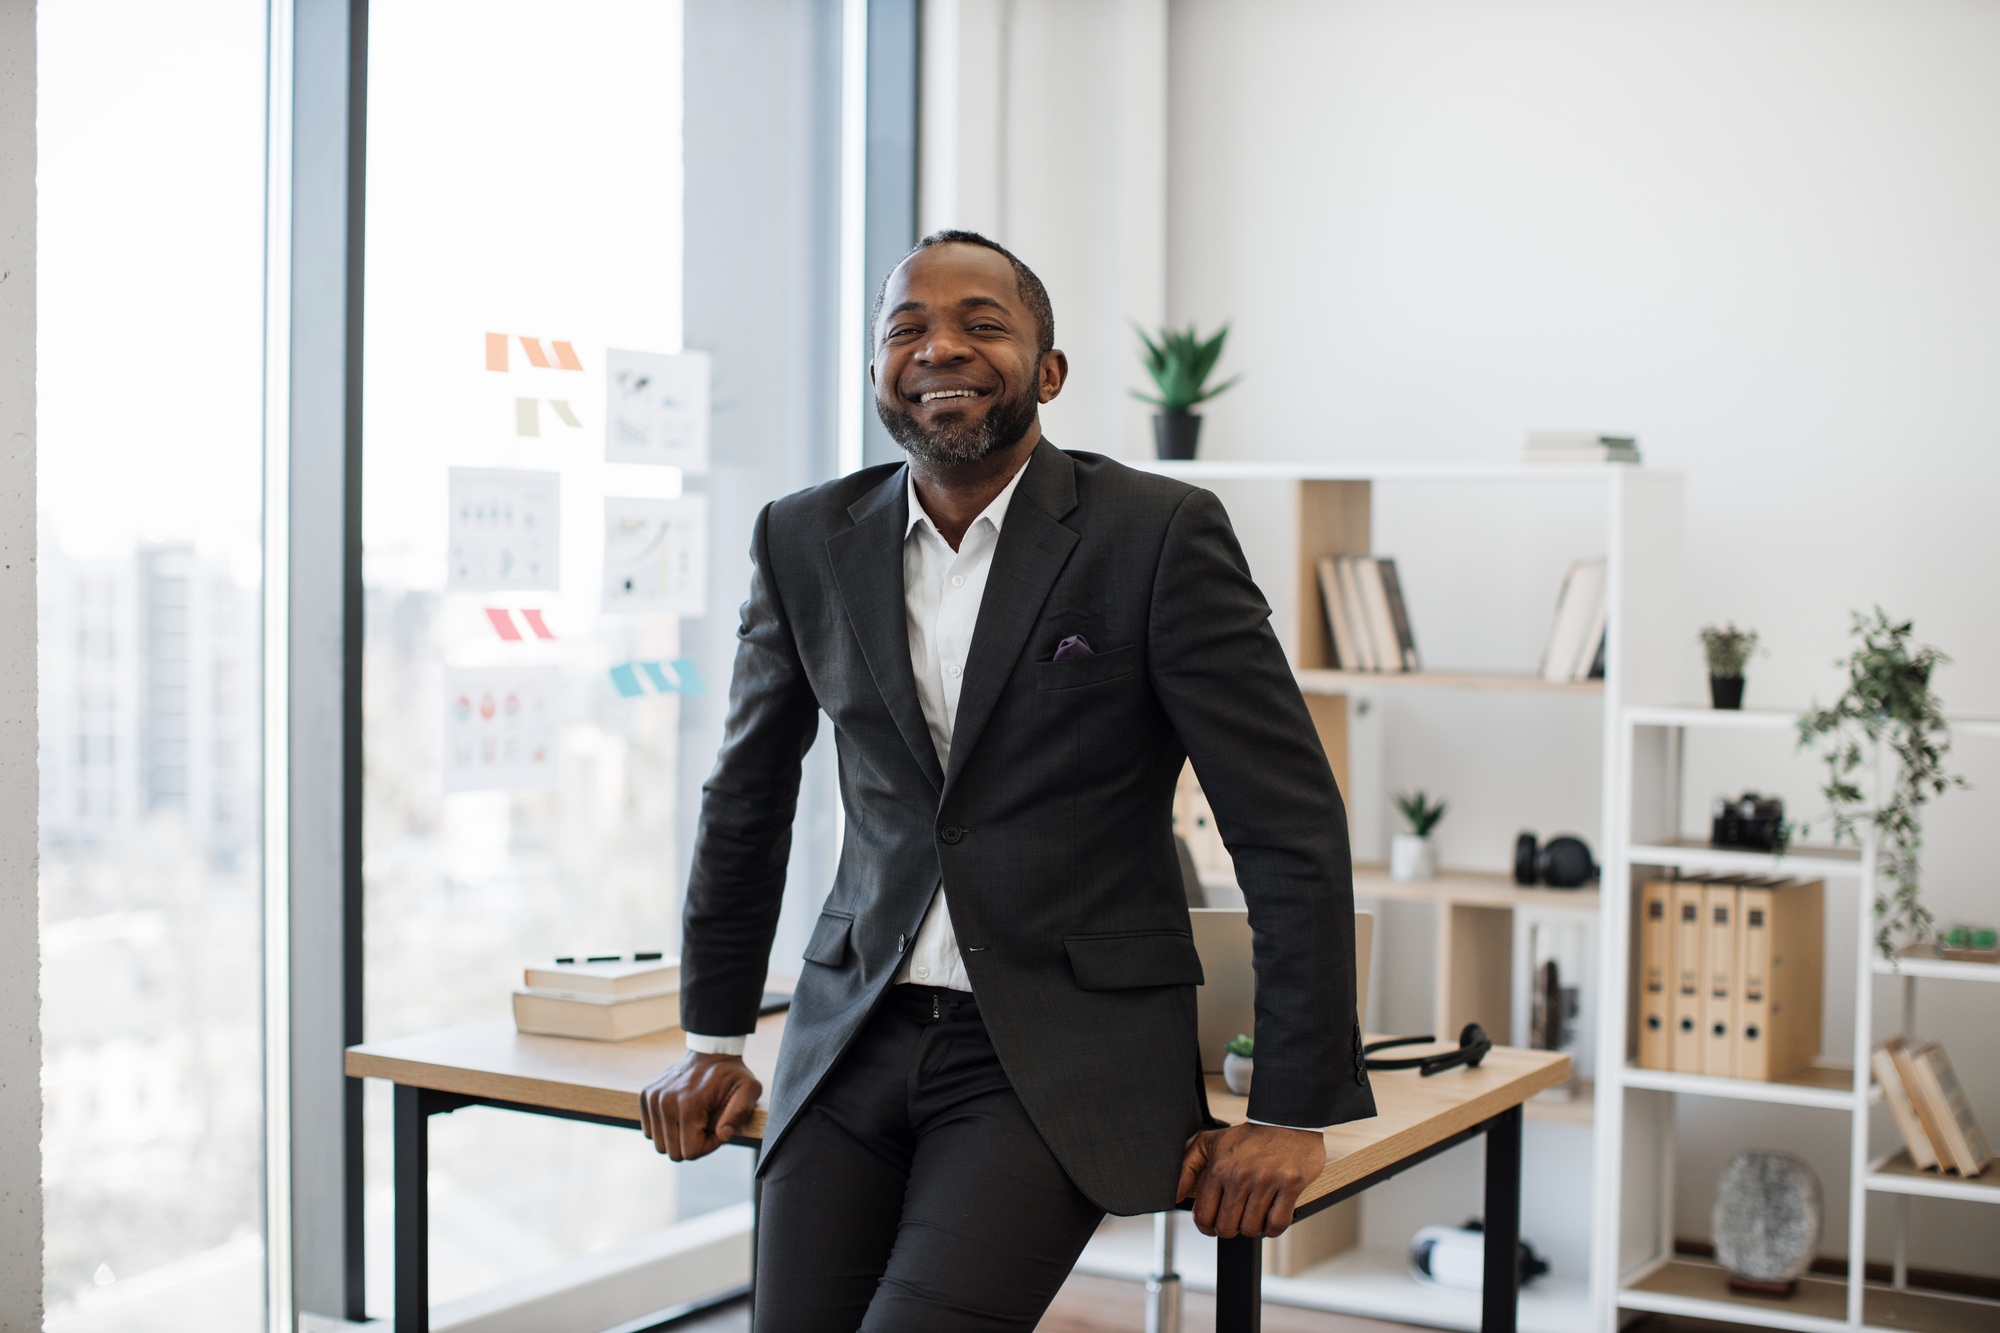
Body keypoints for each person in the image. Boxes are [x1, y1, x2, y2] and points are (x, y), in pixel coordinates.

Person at [638, 230, 1374, 1331]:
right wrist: (713, 1035)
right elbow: (747, 792)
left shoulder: (1158, 534)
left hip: (1058, 1048)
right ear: (879, 369)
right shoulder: (802, 538)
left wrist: (1290, 1106)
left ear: (1047, 369)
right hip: (851, 1030)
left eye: (981, 323)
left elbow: (1285, 825)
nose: (940, 346)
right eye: (907, 329)